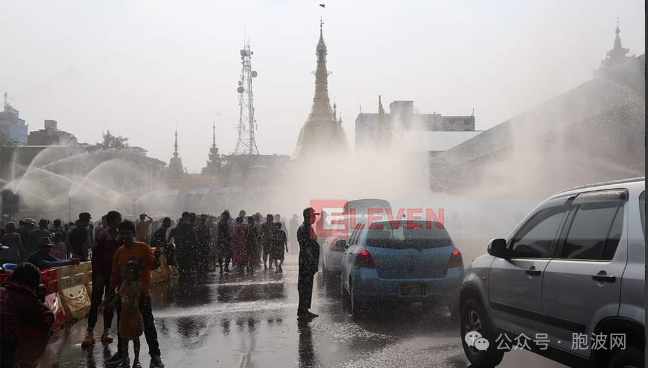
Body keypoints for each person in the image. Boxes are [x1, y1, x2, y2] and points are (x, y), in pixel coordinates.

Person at [105, 220, 164, 368]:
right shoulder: (119, 252)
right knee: (122, 327)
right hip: (124, 297)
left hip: (142, 295)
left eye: (128, 233)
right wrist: (109, 294)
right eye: (122, 233)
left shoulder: (143, 247)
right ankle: (121, 355)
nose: (125, 236)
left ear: (134, 234)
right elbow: (115, 275)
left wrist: (157, 257)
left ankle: (155, 355)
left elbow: (153, 266)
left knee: (148, 325)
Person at [0, 262, 55, 368]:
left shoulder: (3, 289)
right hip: (3, 339)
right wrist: (43, 305)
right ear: (34, 282)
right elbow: (44, 325)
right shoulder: (26, 297)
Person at [82, 211, 122, 347]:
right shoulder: (101, 235)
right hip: (100, 275)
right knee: (96, 302)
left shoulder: (121, 236)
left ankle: (106, 330)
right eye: (118, 219)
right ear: (111, 220)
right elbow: (95, 257)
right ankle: (90, 332)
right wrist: (97, 275)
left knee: (110, 303)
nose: (120, 221)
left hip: (114, 276)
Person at [107, 259, 145, 368]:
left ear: (135, 274)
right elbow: (119, 296)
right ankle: (125, 359)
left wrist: (125, 287)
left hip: (134, 315)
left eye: (128, 272)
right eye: (124, 272)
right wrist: (111, 303)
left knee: (135, 338)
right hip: (124, 316)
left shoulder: (137, 285)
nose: (125, 275)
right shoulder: (123, 284)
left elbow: (132, 294)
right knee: (124, 339)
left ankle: (136, 360)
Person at [297, 207, 320, 319]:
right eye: (313, 215)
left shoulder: (308, 228)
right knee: (304, 286)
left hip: (308, 262)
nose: (315, 218)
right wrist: (312, 263)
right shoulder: (304, 229)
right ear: (307, 216)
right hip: (306, 262)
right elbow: (307, 248)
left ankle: (304, 309)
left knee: (307, 286)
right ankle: (302, 311)